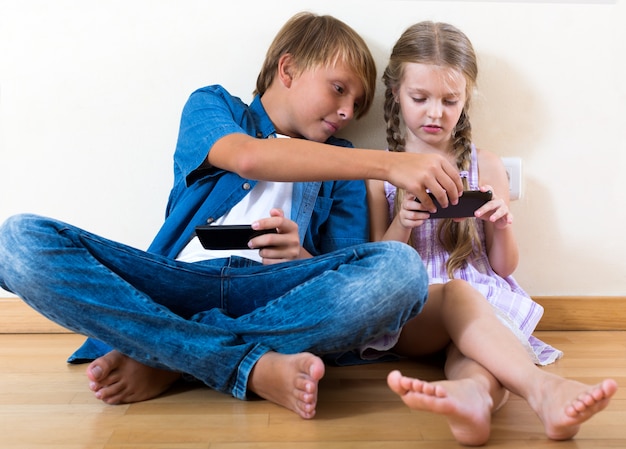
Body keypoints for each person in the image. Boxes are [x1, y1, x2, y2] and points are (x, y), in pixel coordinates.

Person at [0, 13, 465, 420]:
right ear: (288, 68)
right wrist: (388, 163)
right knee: (17, 240)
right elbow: (246, 158)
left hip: (275, 295)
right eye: (339, 90)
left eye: (356, 105)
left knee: (401, 272)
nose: (346, 111)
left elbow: (348, 265)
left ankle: (169, 358)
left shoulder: (340, 165)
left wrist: (298, 255)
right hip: (173, 283)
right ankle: (249, 364)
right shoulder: (214, 106)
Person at [367, 21, 618, 445]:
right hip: (414, 306)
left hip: (482, 296)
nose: (435, 112)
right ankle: (543, 391)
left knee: (475, 354)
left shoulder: (485, 165)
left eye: (450, 100)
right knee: (462, 300)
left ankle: (474, 397)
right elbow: (379, 273)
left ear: (466, 99)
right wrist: (402, 222)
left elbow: (502, 266)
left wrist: (500, 225)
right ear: (395, 94)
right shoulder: (380, 173)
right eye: (420, 98)